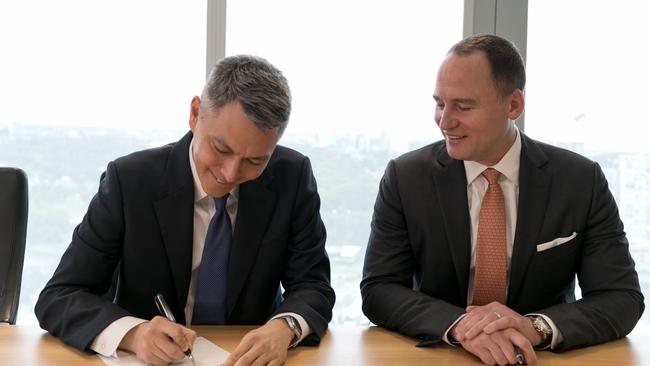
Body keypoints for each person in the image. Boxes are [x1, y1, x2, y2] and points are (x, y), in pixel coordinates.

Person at [360, 34, 644, 366]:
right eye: (440, 103)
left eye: (463, 106)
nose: (444, 121)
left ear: (513, 105)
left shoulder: (580, 180)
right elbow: (379, 289)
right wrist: (464, 325)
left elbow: (622, 297)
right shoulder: (405, 177)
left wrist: (533, 327)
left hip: (540, 358)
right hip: (443, 355)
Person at [35, 55, 335, 366]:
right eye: (221, 149)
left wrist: (283, 328)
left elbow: (314, 286)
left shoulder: (292, 177)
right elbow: (60, 296)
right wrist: (133, 334)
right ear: (194, 114)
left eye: (255, 161)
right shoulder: (131, 180)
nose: (231, 174)